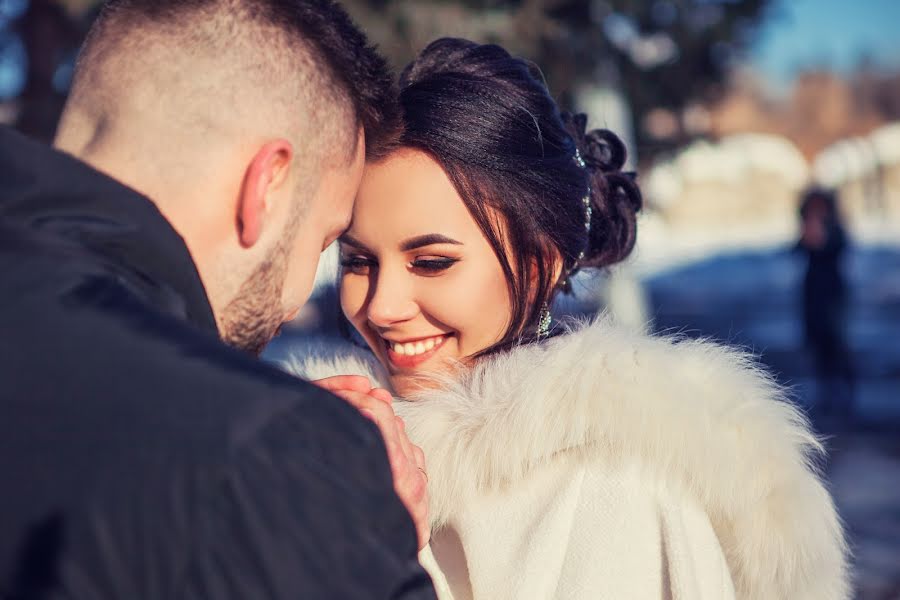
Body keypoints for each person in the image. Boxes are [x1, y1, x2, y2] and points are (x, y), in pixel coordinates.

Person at [288, 38, 850, 599]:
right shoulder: (315, 436)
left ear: (539, 262)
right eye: (358, 261)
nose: (382, 306)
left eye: (432, 262)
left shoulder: (618, 488)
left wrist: (376, 557)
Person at [0, 1, 435, 598]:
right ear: (267, 186)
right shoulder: (264, 462)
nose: (297, 302)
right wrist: (359, 541)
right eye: (328, 240)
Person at [797, 187, 855, 419]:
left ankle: (846, 391)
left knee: (836, 342)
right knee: (817, 343)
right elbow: (797, 250)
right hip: (812, 292)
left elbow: (840, 248)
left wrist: (822, 239)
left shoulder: (836, 228)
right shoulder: (806, 227)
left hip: (832, 292)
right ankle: (826, 391)